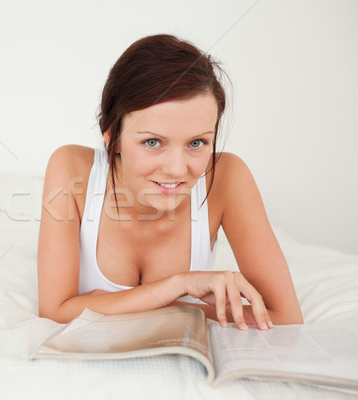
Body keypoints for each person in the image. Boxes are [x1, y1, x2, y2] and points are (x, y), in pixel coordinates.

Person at [36, 34, 303, 330]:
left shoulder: (228, 178)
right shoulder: (71, 169)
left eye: (197, 143)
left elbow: (285, 317)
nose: (177, 170)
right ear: (113, 136)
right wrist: (180, 285)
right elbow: (55, 310)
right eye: (152, 142)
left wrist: (133, 303)